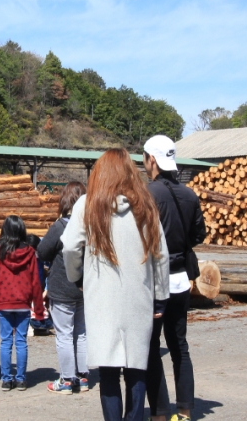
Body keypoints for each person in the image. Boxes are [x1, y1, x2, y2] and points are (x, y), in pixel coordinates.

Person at [62, 148, 170, 421]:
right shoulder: (145, 204)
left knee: (108, 371)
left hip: (102, 299)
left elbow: (69, 246)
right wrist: (160, 296)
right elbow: (161, 254)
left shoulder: (88, 204)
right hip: (139, 297)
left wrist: (77, 277)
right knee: (137, 368)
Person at [142, 135, 207, 421]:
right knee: (179, 344)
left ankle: (158, 412)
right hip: (182, 278)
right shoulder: (189, 194)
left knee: (151, 346)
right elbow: (199, 235)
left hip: (156, 281)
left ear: (151, 160)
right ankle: (185, 410)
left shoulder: (147, 194)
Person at [36, 181, 89, 395]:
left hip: (62, 287)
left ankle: (67, 380)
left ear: (65, 200)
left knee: (64, 335)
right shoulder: (93, 226)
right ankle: (83, 377)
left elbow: (42, 251)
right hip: (86, 288)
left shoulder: (60, 226)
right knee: (82, 333)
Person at [0, 215, 46, 392]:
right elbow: (36, 281)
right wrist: (39, 309)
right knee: (21, 341)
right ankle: (20, 379)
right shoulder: (29, 251)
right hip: (23, 302)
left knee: (5, 341)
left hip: (4, 302)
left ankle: (6, 380)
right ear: (22, 230)